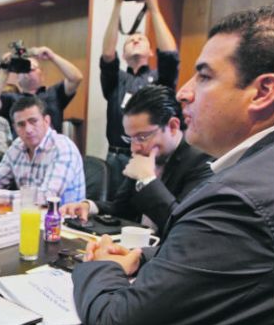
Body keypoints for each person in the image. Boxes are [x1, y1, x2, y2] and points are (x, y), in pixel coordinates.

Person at [70, 4, 274, 325]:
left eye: (203, 76)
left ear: (262, 92)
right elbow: (207, 255)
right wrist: (143, 257)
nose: (183, 92)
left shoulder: (239, 196)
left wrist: (98, 265)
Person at [60, 85, 213, 235]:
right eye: (130, 138)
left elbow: (182, 227)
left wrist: (147, 180)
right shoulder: (144, 154)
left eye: (142, 137)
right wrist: (90, 206)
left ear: (172, 126)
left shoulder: (201, 162)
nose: (134, 148)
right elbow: (121, 209)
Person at [101, 0, 179, 196]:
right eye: (130, 40)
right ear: (124, 55)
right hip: (117, 157)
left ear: (151, 52)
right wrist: (117, 2)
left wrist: (153, 7)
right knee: (114, 211)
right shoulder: (117, 79)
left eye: (141, 39)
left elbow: (170, 53)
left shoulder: (159, 79)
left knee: (147, 208)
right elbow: (107, 54)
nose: (135, 39)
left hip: (151, 155)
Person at [0, 95, 85, 205]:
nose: (28, 129)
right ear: (15, 128)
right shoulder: (17, 146)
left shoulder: (63, 148)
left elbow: (46, 197)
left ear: (46, 121)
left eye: (33, 121)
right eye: (21, 124)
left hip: (64, 224)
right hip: (28, 217)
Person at [0, 45, 83, 134]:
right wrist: (5, 71)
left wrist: (52, 57)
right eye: (24, 68)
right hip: (23, 150)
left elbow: (76, 78)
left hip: (52, 150)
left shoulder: (55, 93)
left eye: (32, 67)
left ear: (42, 75)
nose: (28, 70)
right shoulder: (12, 99)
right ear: (18, 79)